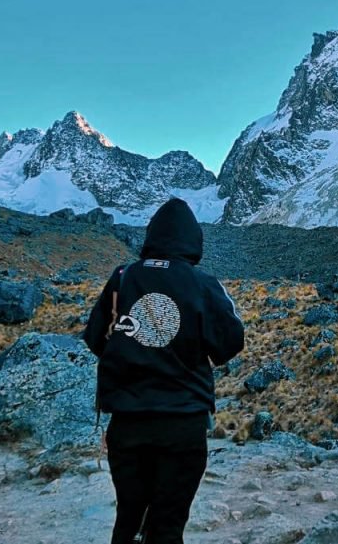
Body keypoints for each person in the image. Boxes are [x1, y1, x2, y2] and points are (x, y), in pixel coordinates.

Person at [83, 197, 245, 544]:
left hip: (127, 424)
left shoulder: (123, 278)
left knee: (129, 518)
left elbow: (96, 338)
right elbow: (230, 343)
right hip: (182, 424)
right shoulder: (203, 284)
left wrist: (135, 352)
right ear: (193, 241)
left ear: (152, 236)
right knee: (167, 525)